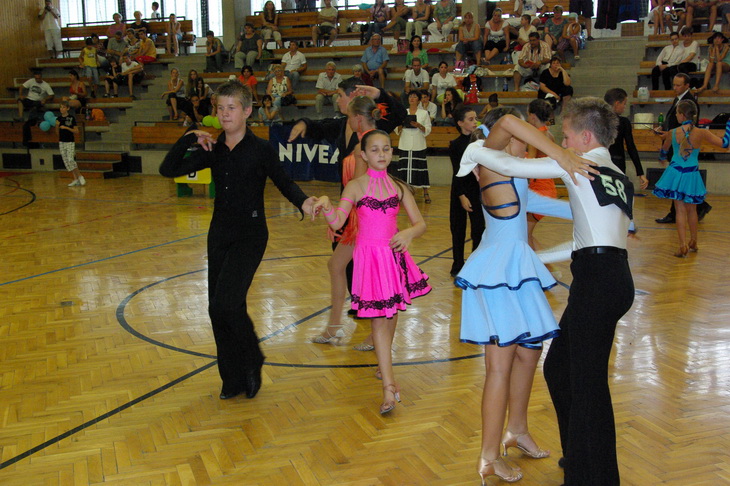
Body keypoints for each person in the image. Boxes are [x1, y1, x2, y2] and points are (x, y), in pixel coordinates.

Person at [462, 97, 635, 486]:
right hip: (610, 276)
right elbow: (592, 239)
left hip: (596, 280)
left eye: (567, 136)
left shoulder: (575, 163)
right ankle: (577, 456)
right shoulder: (616, 174)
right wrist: (536, 260)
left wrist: (474, 150)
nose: (561, 143)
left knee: (588, 384)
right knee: (559, 367)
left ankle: (594, 478)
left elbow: (508, 164)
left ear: (586, 137)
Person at [160, 81, 315, 400]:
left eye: (231, 108)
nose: (224, 114)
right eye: (220, 108)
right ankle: (232, 378)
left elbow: (284, 182)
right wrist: (189, 137)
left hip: (251, 235)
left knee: (226, 303)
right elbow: (168, 169)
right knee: (217, 309)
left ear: (246, 111)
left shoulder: (261, 149)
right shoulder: (213, 149)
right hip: (219, 234)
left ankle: (253, 358)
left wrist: (304, 202)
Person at [456, 106, 572, 484]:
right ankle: (489, 457)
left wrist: (604, 214)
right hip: (498, 275)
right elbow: (506, 122)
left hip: (516, 271)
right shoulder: (490, 159)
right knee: (500, 365)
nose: (529, 143)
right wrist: (562, 155)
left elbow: (536, 204)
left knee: (529, 351)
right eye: (525, 137)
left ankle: (517, 429)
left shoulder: (514, 172)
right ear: (509, 137)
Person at [312, 129, 430, 414]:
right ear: (363, 155)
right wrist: (326, 204)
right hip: (370, 261)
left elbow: (420, 223)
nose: (381, 154)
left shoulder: (399, 187)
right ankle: (389, 387)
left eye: (386, 149)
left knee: (392, 313)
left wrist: (409, 233)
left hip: (393, 258)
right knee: (379, 321)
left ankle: (383, 365)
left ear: (392, 152)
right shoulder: (355, 186)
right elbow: (338, 221)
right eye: (374, 150)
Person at [290, 81, 405, 350]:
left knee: (371, 277)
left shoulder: (368, 143)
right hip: (359, 215)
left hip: (366, 219)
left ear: (357, 118)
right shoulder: (365, 139)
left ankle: (373, 334)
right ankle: (335, 326)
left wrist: (339, 216)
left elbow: (360, 187)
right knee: (337, 266)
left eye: (351, 117)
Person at [654, 100, 728, 256]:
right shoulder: (701, 132)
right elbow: (724, 144)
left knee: (679, 210)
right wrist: (728, 126)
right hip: (691, 173)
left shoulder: (673, 132)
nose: (676, 115)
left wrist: (662, 155)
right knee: (692, 210)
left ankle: (682, 245)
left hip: (675, 172)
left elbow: (664, 150)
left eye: (676, 113)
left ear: (682, 115)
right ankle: (693, 240)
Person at [656, 73, 712, 223]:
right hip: (676, 144)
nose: (675, 87)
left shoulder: (689, 102)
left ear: (687, 85)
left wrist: (670, 135)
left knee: (679, 182)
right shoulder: (679, 98)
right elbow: (672, 121)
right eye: (674, 84)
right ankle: (697, 207)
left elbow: (689, 127)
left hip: (683, 148)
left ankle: (679, 212)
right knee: (679, 182)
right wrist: (665, 130)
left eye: (678, 85)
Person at [447, 105, 484, 277]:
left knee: (478, 229)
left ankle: (476, 264)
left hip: (477, 190)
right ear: (460, 123)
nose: (475, 122)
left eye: (475, 118)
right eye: (471, 119)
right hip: (460, 190)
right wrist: (461, 195)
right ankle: (457, 265)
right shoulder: (455, 145)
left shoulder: (480, 144)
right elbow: (457, 172)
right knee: (458, 229)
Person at [604, 88, 649, 213]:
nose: (625, 107)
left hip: (601, 163)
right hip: (617, 164)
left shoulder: (596, 119)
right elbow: (631, 147)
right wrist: (640, 172)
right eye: (624, 104)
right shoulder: (623, 122)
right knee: (617, 199)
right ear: (617, 103)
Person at [524, 99, 559, 251]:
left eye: (528, 115)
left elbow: (530, 165)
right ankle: (545, 264)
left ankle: (545, 265)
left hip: (539, 188)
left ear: (532, 116)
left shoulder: (535, 136)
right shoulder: (549, 135)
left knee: (525, 234)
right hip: (548, 187)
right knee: (526, 234)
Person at [392, 91, 432, 202]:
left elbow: (428, 129)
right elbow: (396, 129)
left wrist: (418, 125)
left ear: (418, 100)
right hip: (405, 143)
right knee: (404, 169)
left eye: (414, 97)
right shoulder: (403, 112)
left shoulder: (424, 113)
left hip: (418, 143)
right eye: (410, 97)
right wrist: (403, 123)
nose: (412, 98)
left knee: (421, 168)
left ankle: (425, 192)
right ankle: (403, 192)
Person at [56, 100, 85, 187]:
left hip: (70, 142)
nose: (62, 109)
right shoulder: (58, 119)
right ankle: (75, 179)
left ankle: (80, 176)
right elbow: (57, 131)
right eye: (60, 107)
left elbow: (76, 131)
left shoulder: (71, 118)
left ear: (67, 108)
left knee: (70, 159)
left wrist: (66, 128)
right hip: (62, 142)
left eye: (63, 107)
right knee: (66, 161)